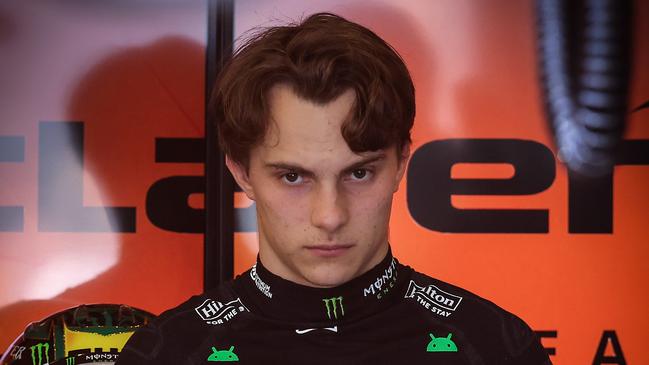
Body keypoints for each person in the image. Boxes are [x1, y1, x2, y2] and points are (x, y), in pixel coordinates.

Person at [117, 12, 552, 365]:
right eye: (293, 177)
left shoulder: (496, 348)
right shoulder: (166, 353)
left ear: (402, 163)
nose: (330, 216)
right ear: (241, 172)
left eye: (358, 174)